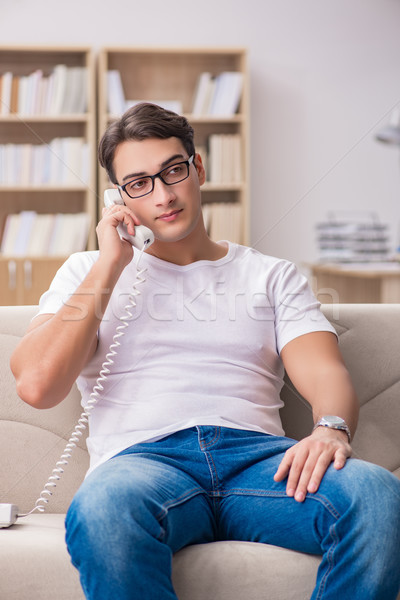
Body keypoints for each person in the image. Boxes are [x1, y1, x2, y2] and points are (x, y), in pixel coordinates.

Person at [10, 102, 400, 600]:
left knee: (377, 495)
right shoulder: (85, 271)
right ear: (118, 197)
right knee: (103, 509)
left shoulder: (269, 274)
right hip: (142, 465)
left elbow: (325, 372)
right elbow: (38, 385)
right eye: (139, 183)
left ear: (197, 168)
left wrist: (331, 428)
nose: (163, 195)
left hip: (258, 463)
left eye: (173, 171)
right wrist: (111, 264)